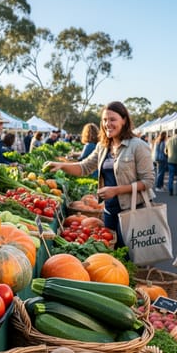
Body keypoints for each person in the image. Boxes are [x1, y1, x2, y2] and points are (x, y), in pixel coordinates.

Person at [45, 101, 155, 247]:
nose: (107, 124)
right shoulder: (103, 146)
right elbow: (84, 167)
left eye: (112, 119)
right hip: (109, 211)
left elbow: (148, 181)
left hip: (132, 210)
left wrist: (115, 190)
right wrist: (61, 166)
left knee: (131, 255)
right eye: (104, 120)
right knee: (112, 252)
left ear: (124, 120)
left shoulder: (138, 146)